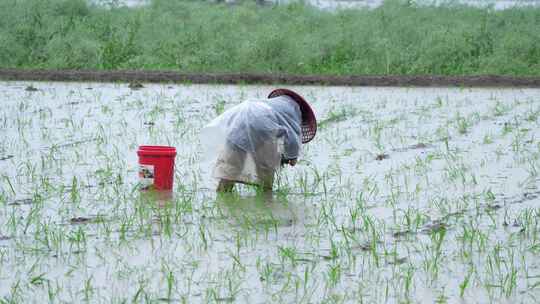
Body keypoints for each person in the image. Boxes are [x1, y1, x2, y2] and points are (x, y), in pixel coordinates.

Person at [202, 89, 317, 193]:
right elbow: (291, 138)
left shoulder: (272, 105)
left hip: (240, 116)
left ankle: (223, 194)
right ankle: (266, 201)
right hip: (264, 124)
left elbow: (282, 133)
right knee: (265, 172)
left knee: (230, 168)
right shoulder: (294, 110)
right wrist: (292, 157)